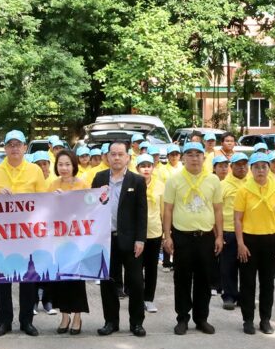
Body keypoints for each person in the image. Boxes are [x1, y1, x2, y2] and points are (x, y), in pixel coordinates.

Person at [0, 130, 46, 337]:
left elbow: (45, 201)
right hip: (2, 235)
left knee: (28, 279)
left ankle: (26, 321)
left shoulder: (35, 171)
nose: (14, 148)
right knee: (3, 281)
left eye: (18, 144)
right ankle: (4, 322)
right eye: (10, 144)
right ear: (5, 148)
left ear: (25, 147)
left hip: (28, 234)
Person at [162, 142, 224, 335]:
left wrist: (219, 235)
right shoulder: (174, 180)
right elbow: (168, 209)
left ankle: (201, 318)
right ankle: (182, 318)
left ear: (204, 158)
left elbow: (218, 209)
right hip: (182, 236)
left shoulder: (213, 180)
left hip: (205, 236)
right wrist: (167, 236)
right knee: (182, 279)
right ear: (183, 157)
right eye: (190, 154)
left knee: (204, 279)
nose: (194, 158)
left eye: (198, 154)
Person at [92, 141, 148, 337]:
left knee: (135, 283)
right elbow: (92, 208)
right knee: (108, 283)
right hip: (106, 240)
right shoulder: (99, 178)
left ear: (127, 157)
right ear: (107, 157)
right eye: (112, 154)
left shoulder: (137, 181)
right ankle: (110, 322)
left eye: (120, 154)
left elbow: (142, 213)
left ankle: (136, 323)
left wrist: (140, 239)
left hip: (131, 241)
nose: (116, 158)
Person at [234, 153, 275, 335]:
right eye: (256, 167)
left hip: (270, 240)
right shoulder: (244, 190)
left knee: (267, 284)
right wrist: (240, 243)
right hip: (249, 240)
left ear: (269, 168)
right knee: (248, 282)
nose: (260, 170)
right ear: (251, 170)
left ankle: (265, 320)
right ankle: (248, 319)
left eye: (264, 167)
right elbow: (238, 219)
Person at [45, 149, 91, 333]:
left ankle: (78, 317)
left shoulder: (83, 185)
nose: (64, 168)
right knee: (61, 279)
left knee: (77, 280)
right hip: (59, 240)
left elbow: (90, 210)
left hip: (78, 239)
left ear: (74, 166)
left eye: (67, 164)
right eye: (60, 164)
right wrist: (54, 201)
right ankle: (64, 316)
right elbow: (46, 211)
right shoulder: (52, 185)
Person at [135, 154, 164, 314]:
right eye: (142, 165)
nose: (146, 168)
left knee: (152, 268)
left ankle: (149, 298)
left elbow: (163, 210)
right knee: (136, 268)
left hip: (154, 231)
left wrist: (167, 233)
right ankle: (138, 298)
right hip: (137, 233)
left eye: (149, 165)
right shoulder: (132, 183)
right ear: (137, 168)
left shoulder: (160, 185)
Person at [219, 153, 249, 310]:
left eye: (245, 164)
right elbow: (216, 210)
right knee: (228, 265)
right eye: (238, 164)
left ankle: (244, 296)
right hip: (228, 230)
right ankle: (229, 296)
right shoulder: (223, 185)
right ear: (231, 167)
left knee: (246, 266)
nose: (242, 167)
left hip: (249, 230)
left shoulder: (252, 183)